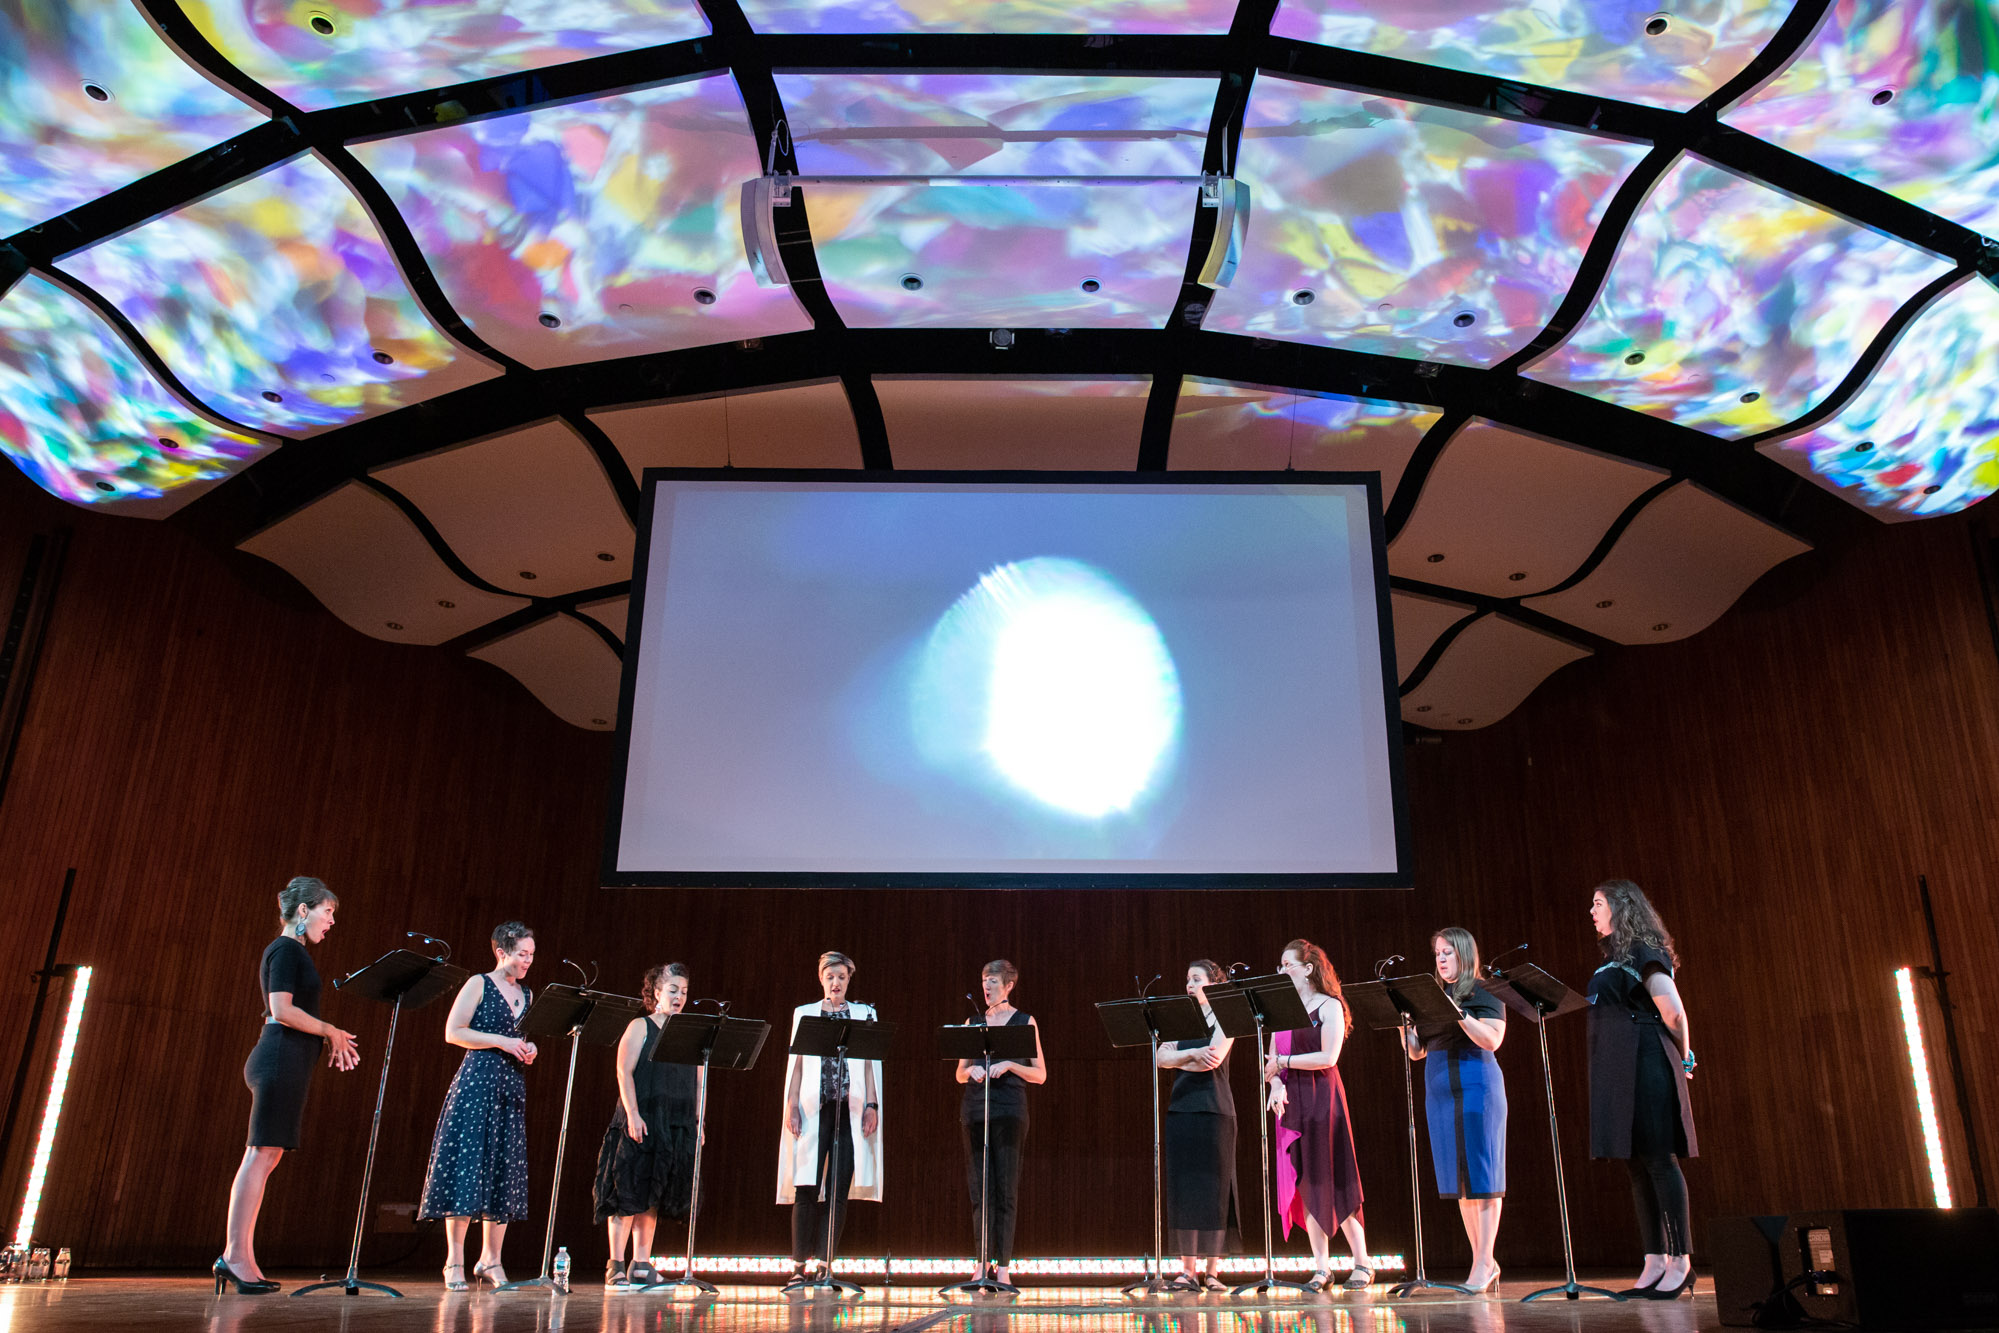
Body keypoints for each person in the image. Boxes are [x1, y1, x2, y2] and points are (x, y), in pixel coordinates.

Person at [216, 877, 360, 1294]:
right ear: (303, 911)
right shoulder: (286, 949)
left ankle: (244, 1257)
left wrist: (325, 1036)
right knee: (259, 1155)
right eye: (327, 912)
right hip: (277, 1057)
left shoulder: (295, 952)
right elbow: (281, 1009)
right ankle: (234, 1256)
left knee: (266, 1157)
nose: (332, 921)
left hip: (287, 1060)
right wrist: (330, 1030)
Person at [1587, 880, 1698, 1299]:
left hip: (1647, 1063)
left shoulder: (1642, 952)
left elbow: (1674, 1012)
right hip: (1618, 1072)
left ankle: (1681, 1260)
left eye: (1598, 903)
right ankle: (1654, 1259)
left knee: (1659, 1160)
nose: (1592, 911)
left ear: (1621, 906)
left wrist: (1683, 1057)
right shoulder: (1612, 958)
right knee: (1635, 1165)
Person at [418, 921, 538, 1290]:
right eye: (522, 954)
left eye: (532, 955)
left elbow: (520, 1039)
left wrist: (528, 1048)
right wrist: (502, 1042)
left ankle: (490, 1259)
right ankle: (454, 1261)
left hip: (509, 1088)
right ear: (501, 951)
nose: (527, 961)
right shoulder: (479, 984)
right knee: (467, 1168)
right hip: (476, 1084)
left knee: (502, 1168)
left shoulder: (529, 994)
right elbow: (454, 1032)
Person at [1263, 939, 1373, 1291]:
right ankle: (1322, 1268)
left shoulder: (1330, 1006)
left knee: (1334, 1175)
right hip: (1292, 1102)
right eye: (1279, 965)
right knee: (1305, 1181)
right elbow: (1272, 1061)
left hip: (1322, 1098)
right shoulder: (1282, 1010)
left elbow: (1329, 1057)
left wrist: (1284, 1064)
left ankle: (1362, 1262)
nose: (1281, 971)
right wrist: (1277, 1084)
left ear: (1308, 969)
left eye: (1287, 964)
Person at [1405, 927, 1507, 1293]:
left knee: (1482, 1174)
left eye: (1447, 952)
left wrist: (1458, 1012)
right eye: (1437, 953)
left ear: (1464, 953)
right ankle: (1482, 1259)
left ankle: (1484, 1261)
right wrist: (1403, 1024)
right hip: (1439, 1091)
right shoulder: (1432, 994)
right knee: (1460, 1181)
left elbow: (1493, 1039)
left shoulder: (1485, 990)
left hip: (1476, 1086)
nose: (1441, 959)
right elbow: (1417, 1051)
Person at [777, 951, 882, 1287]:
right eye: (830, 977)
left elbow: (870, 1064)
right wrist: (791, 1104)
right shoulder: (805, 1014)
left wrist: (872, 1105)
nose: (836, 983)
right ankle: (798, 1266)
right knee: (806, 1184)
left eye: (841, 977)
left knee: (838, 1188)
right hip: (813, 1109)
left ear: (849, 979)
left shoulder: (864, 1013)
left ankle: (826, 1264)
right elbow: (795, 1064)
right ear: (821, 979)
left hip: (848, 1110)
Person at [593, 962, 697, 1287]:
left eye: (683, 992)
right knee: (628, 1190)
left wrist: (698, 1120)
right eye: (672, 990)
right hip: (640, 1115)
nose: (679, 997)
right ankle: (616, 1264)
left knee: (654, 1194)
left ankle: (641, 1263)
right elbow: (624, 1072)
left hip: (672, 1121)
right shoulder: (641, 1025)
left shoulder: (687, 1034)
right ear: (656, 992)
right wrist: (633, 1114)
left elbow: (697, 1081)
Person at [955, 959, 1046, 1288]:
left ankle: (1003, 1267)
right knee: (980, 1190)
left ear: (1008, 986)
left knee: (1006, 1190)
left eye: (993, 981)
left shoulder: (1024, 1022)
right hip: (976, 1110)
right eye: (983, 980)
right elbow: (960, 1072)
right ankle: (980, 1264)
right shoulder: (974, 1021)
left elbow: (1040, 1074)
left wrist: (1010, 1064)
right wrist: (972, 1071)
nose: (986, 986)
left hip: (1009, 1112)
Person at [1157, 959, 1240, 1291]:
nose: (1189, 985)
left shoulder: (1226, 1018)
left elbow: (1214, 1059)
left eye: (1196, 979)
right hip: (1181, 1109)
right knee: (1184, 1188)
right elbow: (1160, 1058)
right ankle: (1187, 1271)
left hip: (1216, 1110)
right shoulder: (1181, 1020)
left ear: (1214, 984)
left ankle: (1211, 1272)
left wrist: (1180, 1058)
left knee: (1214, 1189)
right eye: (1187, 979)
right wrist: (1189, 1057)